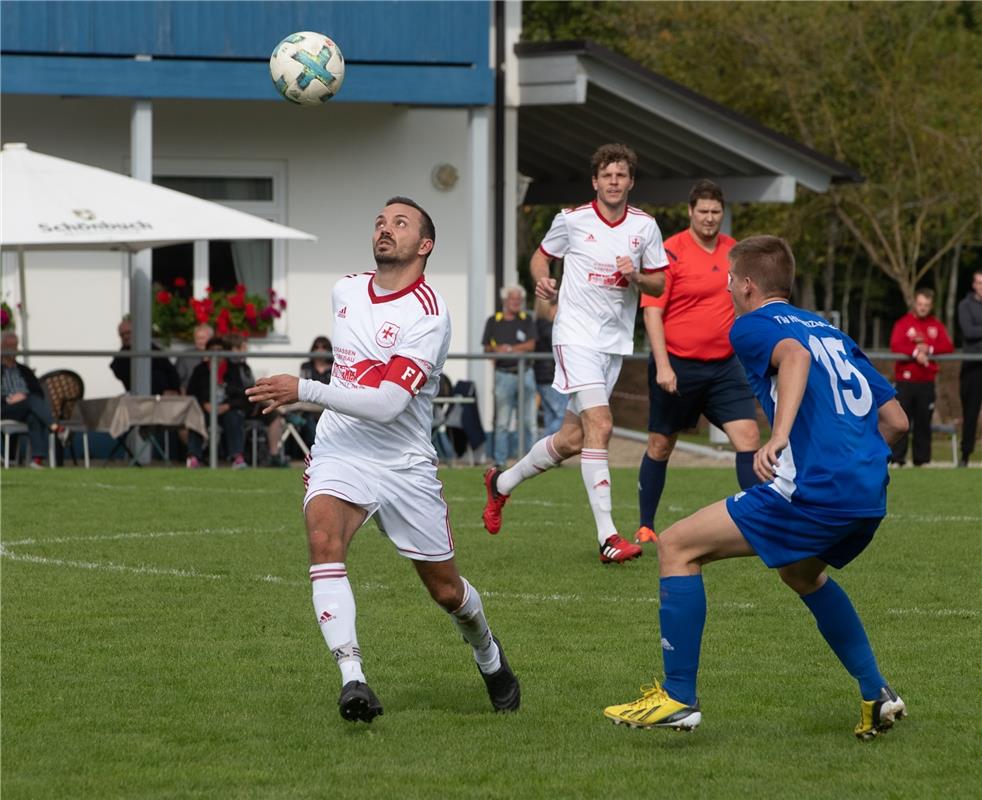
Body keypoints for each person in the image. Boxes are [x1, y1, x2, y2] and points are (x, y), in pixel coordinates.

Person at [603, 235, 910, 740]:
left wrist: (780, 437)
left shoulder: (752, 325)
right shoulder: (829, 329)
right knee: (802, 575)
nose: (726, 289)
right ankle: (877, 693)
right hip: (867, 491)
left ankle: (679, 697)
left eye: (728, 280)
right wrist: (855, 461)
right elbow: (895, 421)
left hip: (813, 488)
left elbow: (792, 359)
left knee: (677, 546)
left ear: (747, 285)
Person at [245, 197, 519, 722]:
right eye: (379, 221)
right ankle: (353, 680)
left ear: (425, 245)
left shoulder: (430, 316)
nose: (384, 229)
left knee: (446, 592)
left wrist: (304, 388)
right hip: (341, 450)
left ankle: (486, 650)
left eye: (400, 223)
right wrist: (318, 394)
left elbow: (390, 405)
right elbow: (353, 387)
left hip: (403, 463)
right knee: (323, 538)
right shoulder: (345, 289)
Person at [482, 143, 668, 564]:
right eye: (607, 176)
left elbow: (658, 286)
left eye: (621, 176)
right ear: (595, 182)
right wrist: (543, 281)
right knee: (601, 424)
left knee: (572, 439)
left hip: (613, 345)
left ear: (631, 182)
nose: (614, 182)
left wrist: (635, 275)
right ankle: (608, 537)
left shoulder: (646, 228)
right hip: (575, 335)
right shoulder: (571, 219)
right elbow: (540, 257)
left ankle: (501, 483)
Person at [634, 180, 760, 545]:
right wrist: (663, 366)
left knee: (749, 437)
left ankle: (759, 521)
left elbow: (749, 307)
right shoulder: (670, 252)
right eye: (702, 211)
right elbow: (653, 314)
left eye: (715, 212)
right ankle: (645, 525)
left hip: (724, 367)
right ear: (691, 212)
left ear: (723, 213)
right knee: (660, 445)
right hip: (678, 365)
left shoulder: (736, 253)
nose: (709, 218)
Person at [888, 288, 953, 466]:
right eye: (920, 304)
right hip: (905, 381)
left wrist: (929, 349)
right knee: (902, 421)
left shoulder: (935, 325)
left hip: (926, 381)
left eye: (926, 305)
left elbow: (948, 346)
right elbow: (895, 345)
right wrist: (916, 352)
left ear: (931, 306)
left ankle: (922, 460)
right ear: (915, 304)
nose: (923, 308)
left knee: (924, 422)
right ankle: (897, 459)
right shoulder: (903, 324)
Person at [482, 285, 537, 466]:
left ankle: (534, 462)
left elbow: (531, 345)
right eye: (513, 299)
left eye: (519, 299)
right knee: (502, 423)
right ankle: (500, 461)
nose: (516, 303)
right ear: (505, 301)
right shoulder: (493, 321)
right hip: (503, 375)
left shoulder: (527, 320)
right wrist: (499, 351)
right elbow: (487, 348)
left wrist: (509, 349)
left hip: (525, 374)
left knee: (529, 421)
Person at [224, 333, 288, 467]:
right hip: (236, 407)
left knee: (274, 416)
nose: (246, 350)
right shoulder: (227, 368)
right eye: (243, 347)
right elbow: (235, 393)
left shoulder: (245, 367)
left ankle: (274, 455)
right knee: (236, 415)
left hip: (252, 405)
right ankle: (238, 458)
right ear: (234, 350)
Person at [184, 336, 248, 469]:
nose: (216, 354)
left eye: (219, 350)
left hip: (227, 408)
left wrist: (227, 405)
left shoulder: (234, 369)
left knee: (234, 417)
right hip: (206, 409)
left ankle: (237, 457)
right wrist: (204, 404)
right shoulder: (200, 370)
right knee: (196, 416)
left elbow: (242, 395)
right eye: (212, 350)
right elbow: (191, 393)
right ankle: (193, 456)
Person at [1, 331, 61, 468]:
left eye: (14, 346)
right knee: (31, 400)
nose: (12, 349)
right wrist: (9, 398)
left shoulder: (24, 370)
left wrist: (24, 397)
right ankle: (56, 427)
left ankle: (37, 459)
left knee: (33, 415)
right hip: (5, 407)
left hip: (26, 407)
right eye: (8, 346)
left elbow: (39, 393)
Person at [110, 317, 181, 396]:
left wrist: (175, 389)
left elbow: (170, 371)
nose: (125, 337)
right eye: (122, 335)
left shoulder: (152, 349)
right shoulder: (121, 358)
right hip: (143, 398)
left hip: (167, 397)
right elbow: (131, 379)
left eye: (128, 332)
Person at [533, 295, 568, 437]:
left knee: (550, 416)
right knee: (563, 416)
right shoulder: (549, 328)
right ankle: (541, 448)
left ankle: (545, 454)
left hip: (542, 376)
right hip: (551, 377)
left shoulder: (536, 325)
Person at [957, 270, 982, 466]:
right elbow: (969, 331)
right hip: (973, 367)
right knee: (970, 413)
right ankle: (965, 455)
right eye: (979, 283)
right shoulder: (965, 306)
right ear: (974, 285)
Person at [298, 335, 333, 447]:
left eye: (324, 347)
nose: (320, 350)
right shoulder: (306, 366)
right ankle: (318, 447)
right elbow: (303, 384)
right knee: (308, 419)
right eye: (317, 347)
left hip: (327, 407)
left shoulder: (334, 367)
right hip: (309, 407)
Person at [175, 323, 215, 393]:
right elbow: (177, 380)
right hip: (190, 394)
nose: (200, 341)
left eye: (203, 338)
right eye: (197, 338)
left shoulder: (219, 355)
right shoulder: (185, 356)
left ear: (211, 339)